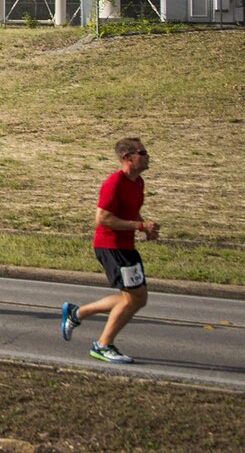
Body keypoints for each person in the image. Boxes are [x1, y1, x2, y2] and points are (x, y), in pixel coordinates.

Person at [61, 137, 161, 364]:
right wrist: (139, 226)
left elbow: (131, 210)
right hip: (111, 246)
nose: (147, 156)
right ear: (128, 157)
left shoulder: (138, 182)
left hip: (126, 246)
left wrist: (144, 227)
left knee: (136, 297)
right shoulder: (113, 183)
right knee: (133, 298)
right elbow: (102, 219)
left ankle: (77, 313)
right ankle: (103, 345)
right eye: (143, 153)